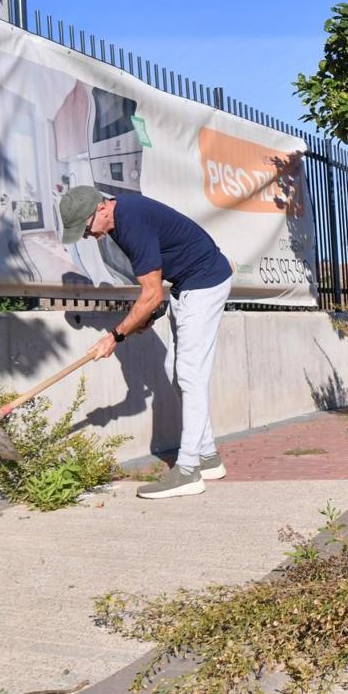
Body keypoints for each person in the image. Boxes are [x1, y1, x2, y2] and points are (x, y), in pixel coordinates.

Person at [60, 185, 233, 499]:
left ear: (99, 209)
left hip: (205, 282)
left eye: (85, 229)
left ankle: (189, 469)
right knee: (174, 370)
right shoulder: (120, 220)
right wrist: (146, 317)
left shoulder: (131, 222)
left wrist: (115, 337)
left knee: (190, 374)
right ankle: (207, 456)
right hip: (187, 284)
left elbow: (152, 293)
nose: (87, 236)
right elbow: (154, 285)